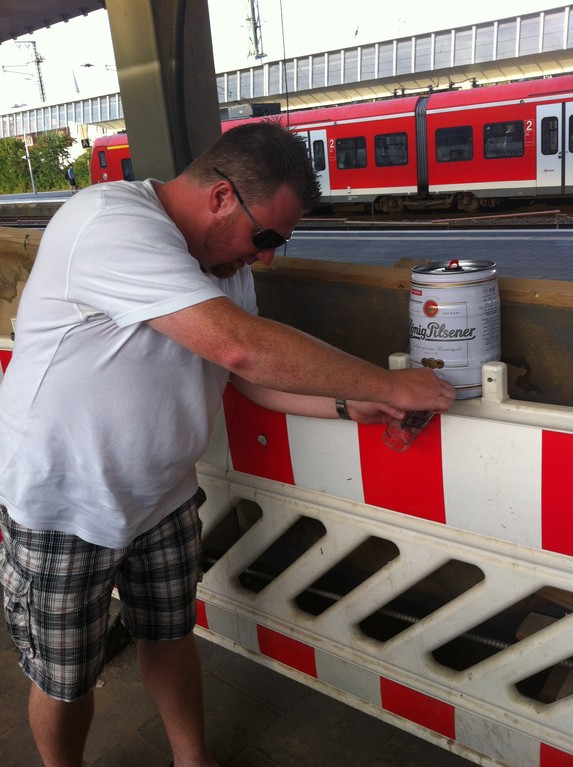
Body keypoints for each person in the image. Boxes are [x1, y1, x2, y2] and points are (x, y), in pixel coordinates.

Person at [0, 121, 455, 767]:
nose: (265, 256)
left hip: (160, 494)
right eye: (264, 236)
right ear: (220, 197)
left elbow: (249, 378)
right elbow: (238, 344)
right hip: (63, 499)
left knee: (168, 633)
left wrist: (355, 402)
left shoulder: (222, 261)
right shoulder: (106, 220)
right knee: (64, 670)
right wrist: (391, 381)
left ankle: (193, 758)